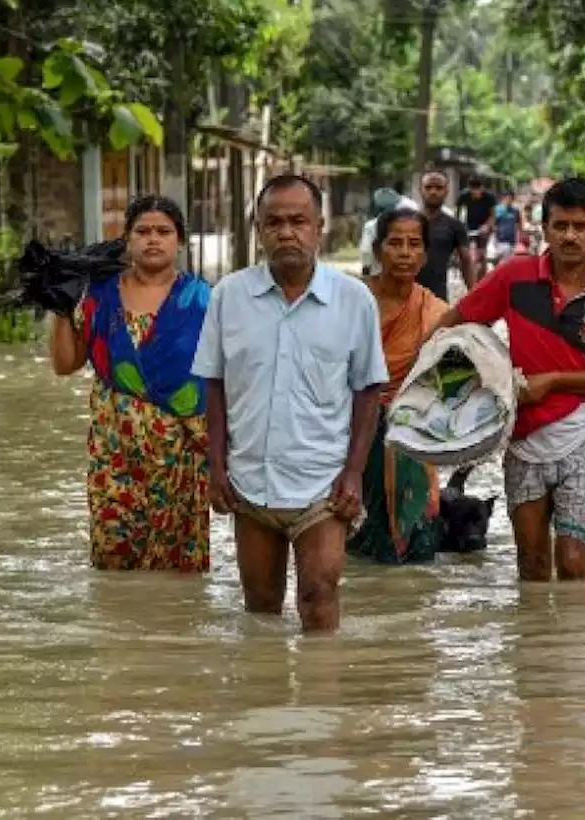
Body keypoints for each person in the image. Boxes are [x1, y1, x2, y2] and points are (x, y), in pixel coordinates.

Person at [193, 175, 387, 633]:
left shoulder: (354, 300)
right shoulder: (229, 296)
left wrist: (355, 471)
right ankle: (266, 700)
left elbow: (368, 390)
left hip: (322, 483)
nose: (286, 232)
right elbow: (214, 385)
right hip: (249, 480)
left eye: (298, 221)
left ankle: (324, 702)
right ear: (258, 231)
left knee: (319, 600)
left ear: (320, 227)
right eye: (273, 222)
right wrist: (215, 466)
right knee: (260, 610)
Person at [428, 178, 585, 582]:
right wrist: (428, 381)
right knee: (531, 565)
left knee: (574, 563)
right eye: (561, 225)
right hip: (523, 441)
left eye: (580, 226)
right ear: (544, 229)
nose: (570, 236)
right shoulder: (515, 277)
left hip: (583, 438)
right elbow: (453, 326)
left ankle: (573, 646)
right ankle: (537, 644)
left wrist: (555, 381)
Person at [49, 195, 213, 571]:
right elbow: (64, 364)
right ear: (127, 239)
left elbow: (225, 380)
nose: (153, 239)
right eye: (142, 231)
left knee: (177, 569)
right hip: (114, 456)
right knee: (112, 562)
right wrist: (60, 307)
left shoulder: (205, 302)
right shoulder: (100, 298)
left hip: (183, 457)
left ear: (180, 241)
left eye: (163, 231)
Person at [348, 208, 451, 565]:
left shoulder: (435, 311)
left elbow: (445, 382)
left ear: (424, 254)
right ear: (378, 251)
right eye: (395, 243)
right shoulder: (352, 300)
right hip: (353, 423)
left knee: (417, 544)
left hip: (412, 428)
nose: (405, 252)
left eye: (414, 244)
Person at [418, 170, 477, 301]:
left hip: (436, 298)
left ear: (446, 191)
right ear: (420, 190)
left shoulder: (455, 225)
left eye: (439, 188)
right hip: (404, 296)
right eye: (428, 187)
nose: (433, 191)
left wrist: (475, 296)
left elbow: (466, 262)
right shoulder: (406, 222)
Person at [358, 187, 418, 277]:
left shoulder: (371, 226)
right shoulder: (408, 224)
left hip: (378, 276)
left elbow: (366, 256)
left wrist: (365, 276)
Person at [455, 176, 497, 277]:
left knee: (481, 253)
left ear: (482, 188)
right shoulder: (464, 196)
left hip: (484, 226)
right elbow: (457, 213)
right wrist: (458, 226)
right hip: (469, 226)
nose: (476, 193)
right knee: (465, 253)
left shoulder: (489, 197)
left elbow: (493, 215)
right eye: (473, 190)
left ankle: (482, 276)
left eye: (478, 190)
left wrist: (487, 225)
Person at [492, 190, 523, 264]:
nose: (509, 200)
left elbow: (519, 225)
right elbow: (493, 225)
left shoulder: (515, 211)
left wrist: (520, 238)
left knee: (507, 262)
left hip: (512, 241)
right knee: (500, 261)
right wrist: (494, 238)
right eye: (508, 198)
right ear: (503, 198)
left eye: (511, 198)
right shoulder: (497, 210)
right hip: (500, 240)